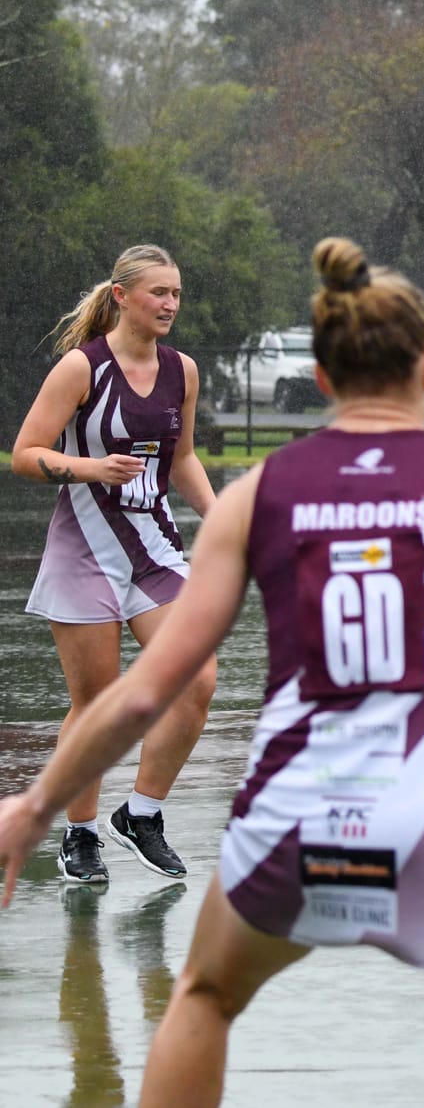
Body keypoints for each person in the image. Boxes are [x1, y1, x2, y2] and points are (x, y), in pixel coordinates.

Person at [0, 239, 424, 1108]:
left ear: (320, 371)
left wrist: (34, 807)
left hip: (300, 823)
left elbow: (148, 689)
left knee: (201, 999)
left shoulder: (261, 494)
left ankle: (111, 827)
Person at [10, 245, 218, 884]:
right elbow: (25, 453)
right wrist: (89, 468)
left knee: (197, 680)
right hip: (84, 553)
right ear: (123, 296)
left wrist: (221, 514)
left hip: (152, 548)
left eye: (177, 294)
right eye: (159, 293)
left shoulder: (183, 370)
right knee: (97, 701)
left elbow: (180, 458)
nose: (171, 305)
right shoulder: (81, 368)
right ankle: (80, 834)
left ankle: (142, 814)